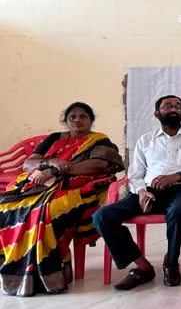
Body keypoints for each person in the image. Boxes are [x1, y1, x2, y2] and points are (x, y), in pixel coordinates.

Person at [0, 102, 124, 297]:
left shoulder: (99, 140)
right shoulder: (54, 139)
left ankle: (49, 274)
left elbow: (100, 164)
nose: (77, 120)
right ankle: (14, 270)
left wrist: (59, 170)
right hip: (38, 186)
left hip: (76, 189)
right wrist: (49, 162)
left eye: (83, 116)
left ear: (91, 120)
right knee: (6, 207)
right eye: (72, 117)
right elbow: (28, 164)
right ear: (66, 121)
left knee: (50, 211)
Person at [93, 95, 181, 290]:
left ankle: (171, 263)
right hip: (148, 191)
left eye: (178, 106)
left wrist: (179, 176)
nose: (173, 109)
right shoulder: (145, 140)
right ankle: (143, 267)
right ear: (157, 113)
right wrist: (141, 191)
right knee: (102, 216)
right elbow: (135, 174)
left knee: (179, 212)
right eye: (168, 106)